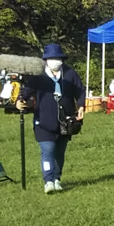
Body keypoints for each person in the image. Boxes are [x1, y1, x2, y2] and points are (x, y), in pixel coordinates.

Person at [16, 44, 86, 194]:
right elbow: (26, 91)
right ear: (46, 60)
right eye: (52, 58)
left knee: (60, 153)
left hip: (65, 121)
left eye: (58, 58)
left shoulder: (70, 74)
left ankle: (57, 179)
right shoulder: (38, 75)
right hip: (44, 121)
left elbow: (80, 90)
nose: (56, 61)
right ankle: (48, 180)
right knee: (48, 150)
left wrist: (81, 106)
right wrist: (20, 100)